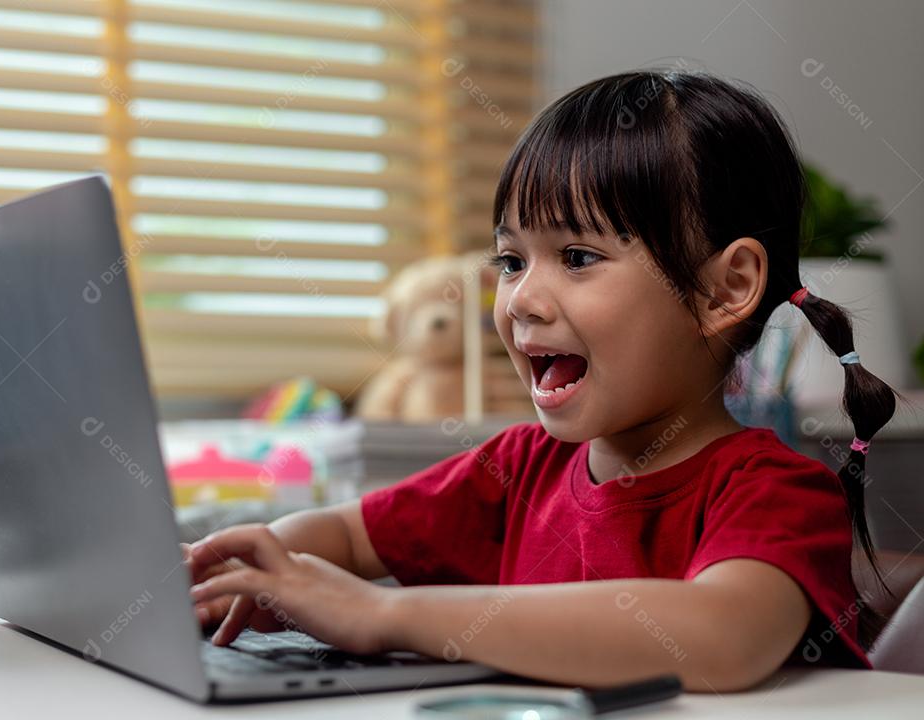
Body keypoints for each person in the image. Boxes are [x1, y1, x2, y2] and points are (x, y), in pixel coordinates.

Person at [184, 70, 897, 692]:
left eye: (577, 256)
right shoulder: (519, 467)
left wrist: (381, 613)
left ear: (724, 290)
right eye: (511, 261)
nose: (521, 299)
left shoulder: (776, 491)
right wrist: (255, 563)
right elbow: (346, 533)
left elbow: (721, 637)